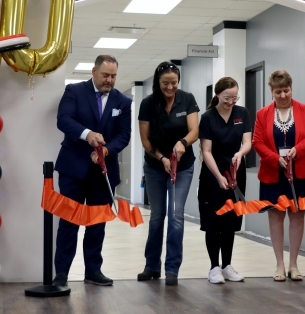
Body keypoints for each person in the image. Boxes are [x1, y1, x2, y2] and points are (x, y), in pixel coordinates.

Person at [53, 54, 132, 286]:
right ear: (94, 71)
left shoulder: (123, 102)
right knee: (69, 223)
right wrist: (87, 134)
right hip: (72, 170)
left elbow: (123, 136)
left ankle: (93, 271)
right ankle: (62, 274)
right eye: (105, 75)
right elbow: (63, 120)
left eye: (114, 76)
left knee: (97, 224)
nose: (109, 80)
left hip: (103, 173)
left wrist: (105, 151)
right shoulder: (74, 92)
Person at [137, 61, 199, 286]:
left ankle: (172, 268)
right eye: (165, 83)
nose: (170, 87)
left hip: (182, 167)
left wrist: (183, 142)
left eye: (174, 82)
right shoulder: (147, 103)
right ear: (158, 82)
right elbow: (145, 140)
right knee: (156, 218)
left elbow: (195, 131)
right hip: (155, 166)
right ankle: (151, 266)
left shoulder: (187, 99)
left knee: (176, 217)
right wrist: (162, 158)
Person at [253, 70, 305, 282]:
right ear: (271, 92)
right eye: (278, 91)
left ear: (291, 89)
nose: (283, 95)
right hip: (273, 171)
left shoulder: (304, 110)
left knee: (298, 214)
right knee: (275, 215)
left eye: (286, 91)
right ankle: (280, 264)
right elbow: (257, 142)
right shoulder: (262, 114)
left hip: (300, 170)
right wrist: (274, 158)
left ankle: (294, 264)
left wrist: (297, 150)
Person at [199, 77, 252, 284]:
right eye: (226, 98)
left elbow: (247, 142)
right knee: (213, 222)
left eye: (234, 98)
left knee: (230, 221)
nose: (231, 102)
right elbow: (206, 151)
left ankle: (227, 265)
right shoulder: (208, 117)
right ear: (217, 95)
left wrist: (240, 154)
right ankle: (214, 267)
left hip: (236, 171)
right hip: (213, 174)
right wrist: (219, 176)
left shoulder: (242, 113)